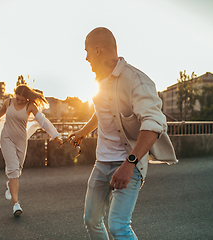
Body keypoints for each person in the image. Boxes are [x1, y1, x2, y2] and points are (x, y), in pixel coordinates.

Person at [69, 27, 177, 239]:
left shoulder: (137, 80)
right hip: (101, 163)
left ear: (98, 50)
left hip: (129, 162)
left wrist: (129, 164)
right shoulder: (99, 80)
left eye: (87, 51)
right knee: (91, 220)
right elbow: (102, 111)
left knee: (118, 226)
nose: (86, 58)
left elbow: (154, 125)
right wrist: (83, 130)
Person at [0, 83, 62, 217]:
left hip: (21, 141)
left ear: (27, 99)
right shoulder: (8, 102)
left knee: (17, 170)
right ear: (14, 95)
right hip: (6, 138)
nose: (18, 101)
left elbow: (43, 121)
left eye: (22, 100)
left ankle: (10, 185)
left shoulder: (30, 107)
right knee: (13, 170)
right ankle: (16, 204)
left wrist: (56, 135)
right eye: (17, 98)